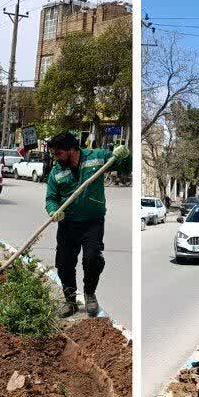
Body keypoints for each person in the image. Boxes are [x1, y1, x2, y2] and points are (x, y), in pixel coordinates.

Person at [45, 131, 129, 318]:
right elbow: (51, 197)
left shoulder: (97, 157)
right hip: (67, 224)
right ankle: (70, 300)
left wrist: (125, 154)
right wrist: (53, 210)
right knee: (64, 263)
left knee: (92, 259)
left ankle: (90, 294)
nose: (55, 158)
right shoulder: (56, 171)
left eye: (58, 153)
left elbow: (125, 165)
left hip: (93, 222)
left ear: (71, 149)